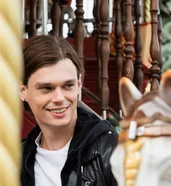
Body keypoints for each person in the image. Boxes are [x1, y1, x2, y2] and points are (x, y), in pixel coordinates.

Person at [19, 35, 118, 186]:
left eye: (67, 86)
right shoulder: (18, 160)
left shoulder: (111, 150)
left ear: (79, 84)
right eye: (47, 88)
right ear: (23, 91)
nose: (59, 97)